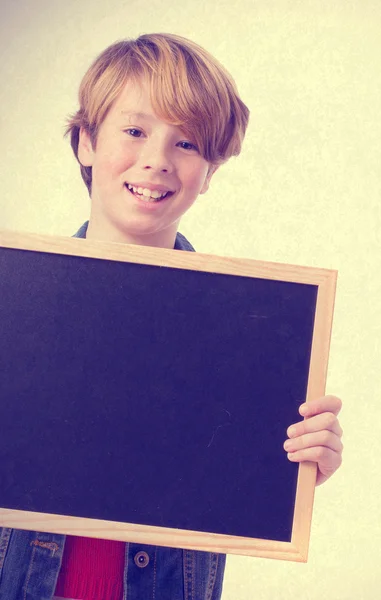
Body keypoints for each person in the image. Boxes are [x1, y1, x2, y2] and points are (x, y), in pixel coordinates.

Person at [0, 33, 343, 600]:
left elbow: (236, 485)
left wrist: (290, 471)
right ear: (86, 141)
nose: (156, 160)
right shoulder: (16, 305)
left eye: (186, 143)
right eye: (134, 131)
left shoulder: (247, 332)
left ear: (209, 172)